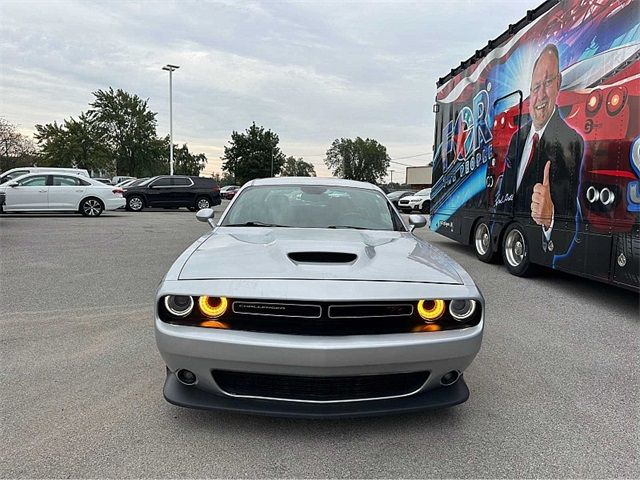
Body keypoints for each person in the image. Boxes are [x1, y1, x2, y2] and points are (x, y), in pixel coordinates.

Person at [499, 44, 584, 262]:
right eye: (536, 87)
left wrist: (549, 219)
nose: (541, 95)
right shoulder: (517, 139)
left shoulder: (571, 142)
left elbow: (566, 236)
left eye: (547, 83)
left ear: (559, 83)